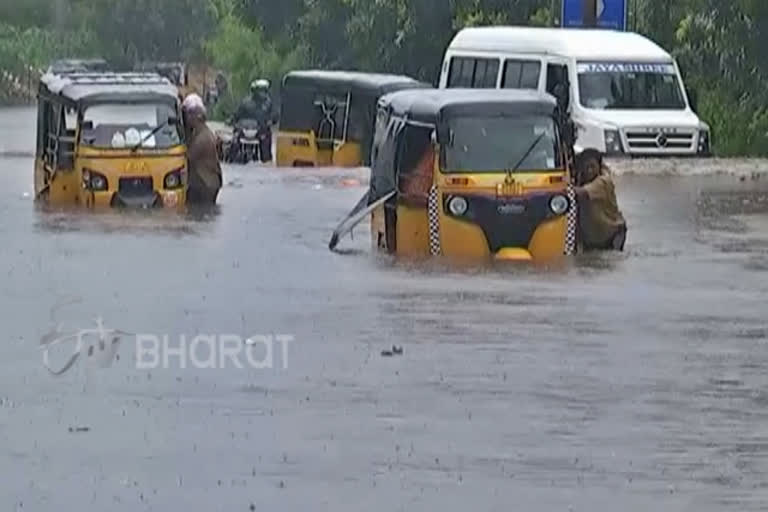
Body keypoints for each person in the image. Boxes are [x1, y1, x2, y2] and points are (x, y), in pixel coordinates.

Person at [574, 150, 627, 251]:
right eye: (586, 168)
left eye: (592, 167)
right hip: (594, 236)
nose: (589, 171)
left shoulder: (603, 182)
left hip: (613, 234)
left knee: (612, 259)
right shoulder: (581, 178)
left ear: (599, 166)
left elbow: (581, 193)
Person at [182, 94, 222, 205]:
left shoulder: (202, 138)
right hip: (209, 182)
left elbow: (186, 159)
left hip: (205, 184)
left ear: (194, 116)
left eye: (188, 115)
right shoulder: (203, 133)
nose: (186, 119)